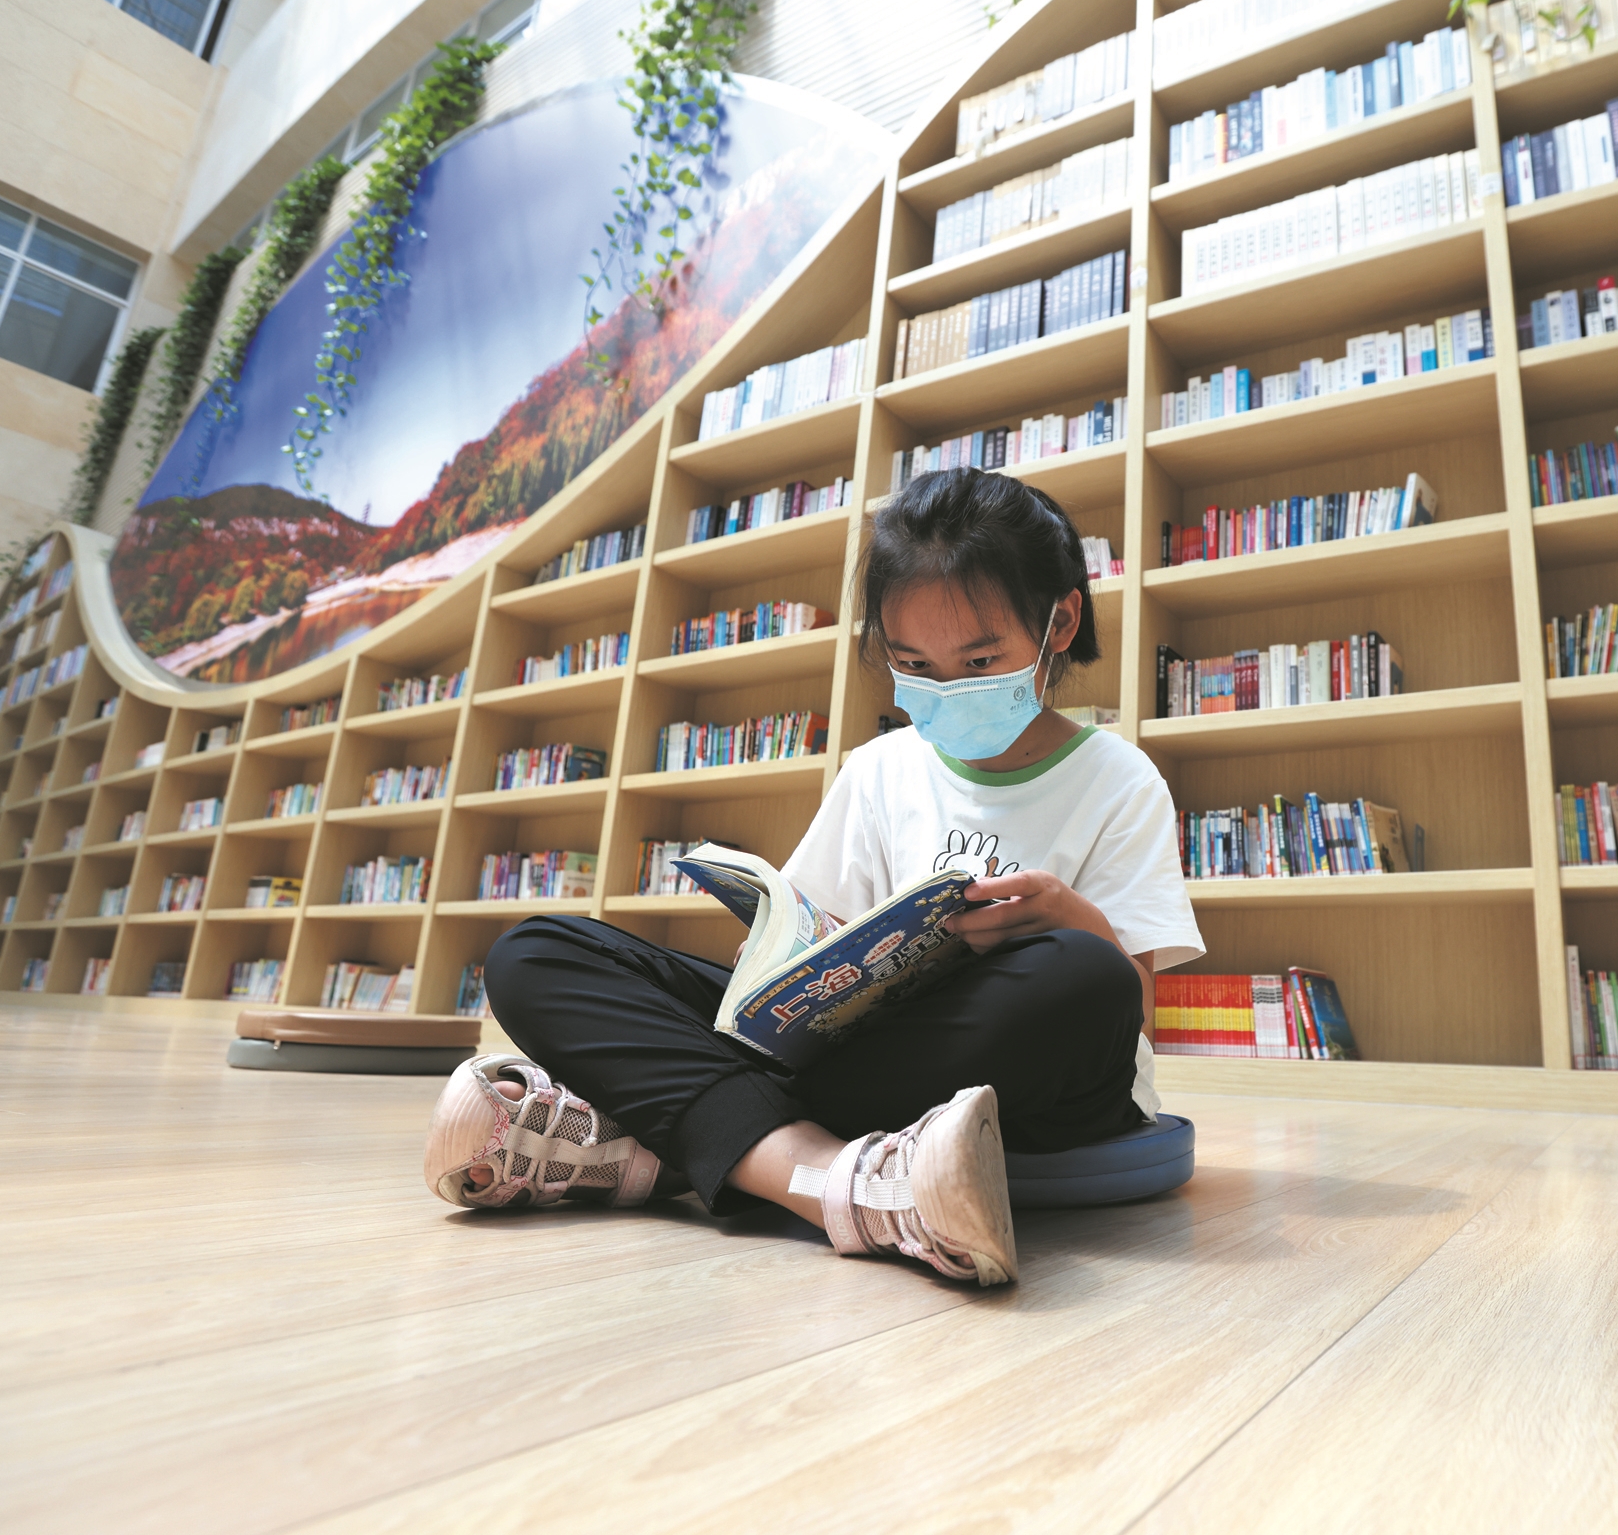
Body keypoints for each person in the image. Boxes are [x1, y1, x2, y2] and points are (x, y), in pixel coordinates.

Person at [421, 468, 1203, 1282]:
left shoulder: (1120, 780)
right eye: (914, 664)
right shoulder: (880, 769)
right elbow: (804, 950)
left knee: (1083, 977)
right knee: (537, 952)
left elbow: (1133, 1018)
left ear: (1059, 622)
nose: (949, 689)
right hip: (851, 1061)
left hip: (1020, 1073)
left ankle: (665, 1135)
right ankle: (832, 1177)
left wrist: (1078, 922)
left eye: (980, 659)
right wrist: (786, 959)